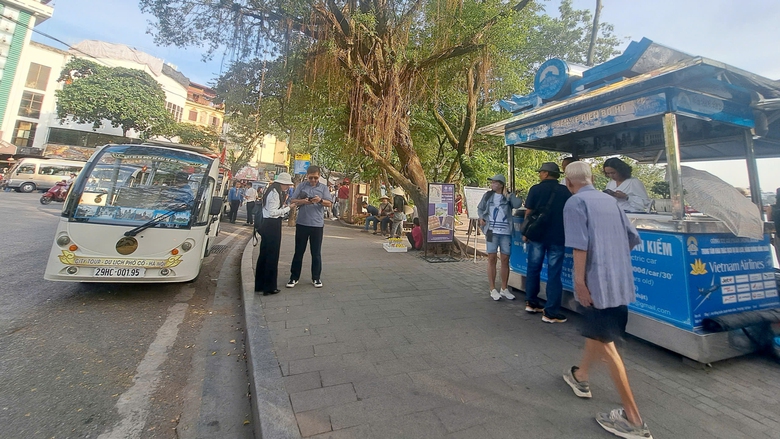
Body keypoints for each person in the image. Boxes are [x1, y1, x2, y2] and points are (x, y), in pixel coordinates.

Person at [561, 162, 652, 439]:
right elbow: (632, 238)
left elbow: (579, 246)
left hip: (595, 285)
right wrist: (613, 258)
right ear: (591, 178)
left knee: (609, 346)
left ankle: (633, 419)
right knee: (599, 333)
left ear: (569, 182)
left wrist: (580, 282)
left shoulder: (575, 203)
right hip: (619, 282)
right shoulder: (611, 201)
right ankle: (581, 376)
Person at [523, 162, 572, 323]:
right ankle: (550, 312)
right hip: (557, 237)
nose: (539, 174)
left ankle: (531, 303)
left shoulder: (535, 189)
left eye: (541, 172)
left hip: (537, 236)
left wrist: (526, 232)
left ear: (545, 173)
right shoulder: (565, 191)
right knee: (554, 273)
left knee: (533, 268)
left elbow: (529, 212)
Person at [477, 174, 523, 301]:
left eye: (495, 182)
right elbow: (480, 208)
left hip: (506, 232)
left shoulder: (508, 196)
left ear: (501, 184)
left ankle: (504, 288)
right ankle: (492, 289)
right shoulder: (487, 195)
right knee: (491, 258)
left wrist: (508, 195)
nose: (492, 184)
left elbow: (517, 204)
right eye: (492, 182)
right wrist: (481, 217)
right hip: (491, 232)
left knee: (505, 259)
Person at [287, 166, 333, 289]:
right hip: (302, 223)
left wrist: (320, 200)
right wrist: (303, 201)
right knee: (298, 252)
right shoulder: (301, 186)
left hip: (317, 225)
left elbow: (329, 203)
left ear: (319, 176)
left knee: (316, 253)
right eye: (311, 177)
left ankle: (316, 278)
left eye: (315, 178)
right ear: (307, 176)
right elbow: (293, 200)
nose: (313, 180)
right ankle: (294, 277)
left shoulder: (323, 188)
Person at [255, 173, 293, 295]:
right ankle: (269, 286)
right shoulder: (275, 194)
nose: (287, 187)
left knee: (264, 254)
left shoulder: (272, 191)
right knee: (272, 255)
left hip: (267, 224)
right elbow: (272, 212)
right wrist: (288, 208)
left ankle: (260, 284)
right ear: (281, 183)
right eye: (286, 184)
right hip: (272, 225)